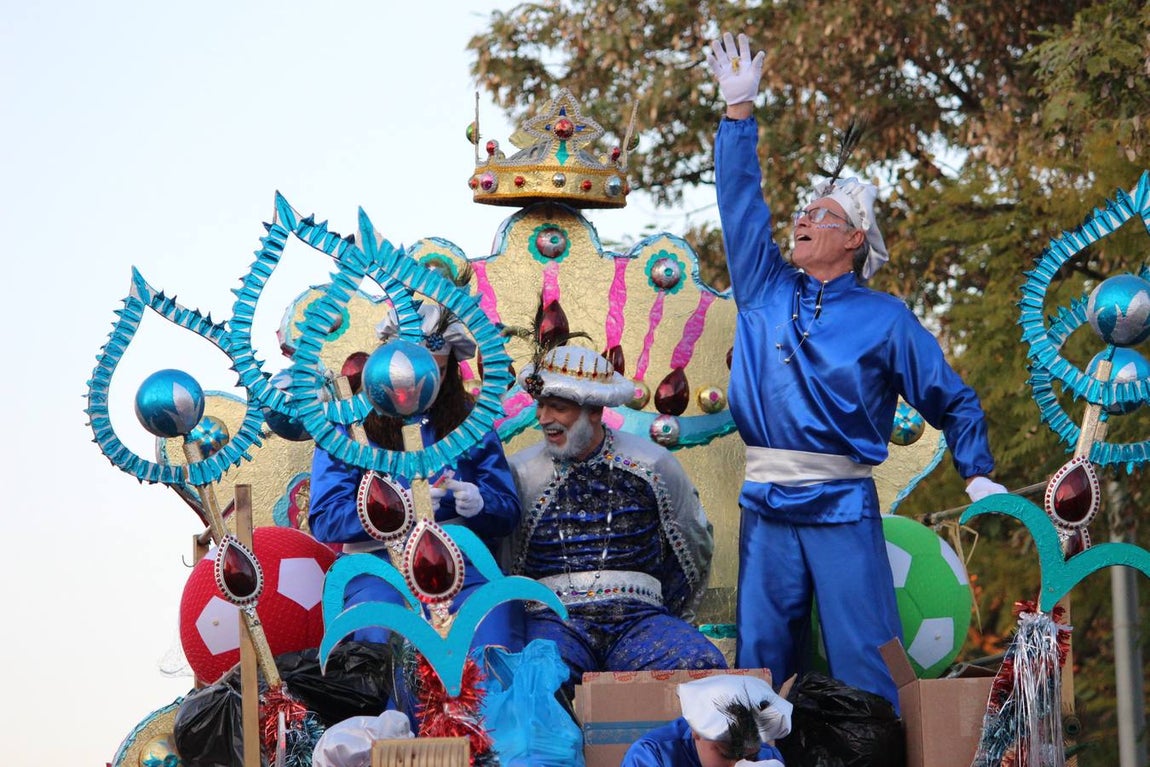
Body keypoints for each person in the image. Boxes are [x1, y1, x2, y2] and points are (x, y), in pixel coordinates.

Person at [704, 32, 1008, 709]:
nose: (805, 217)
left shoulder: (885, 318)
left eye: (825, 214)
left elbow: (952, 397)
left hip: (842, 503)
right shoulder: (764, 286)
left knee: (865, 656)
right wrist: (739, 113)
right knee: (759, 665)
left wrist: (977, 469)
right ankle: (757, 758)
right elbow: (740, 204)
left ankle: (875, 752)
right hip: (766, 502)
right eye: (805, 210)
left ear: (854, 240)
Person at [308, 300, 525, 693]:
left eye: (437, 372)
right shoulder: (347, 426)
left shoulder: (472, 422)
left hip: (463, 568)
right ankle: (394, 727)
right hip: (379, 569)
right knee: (381, 627)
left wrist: (480, 504)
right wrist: (391, 512)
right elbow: (325, 517)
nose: (423, 387)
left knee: (494, 617)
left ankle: (488, 725)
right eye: (412, 372)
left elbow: (508, 509)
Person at [508, 344, 728, 693]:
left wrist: (669, 614)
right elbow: (505, 561)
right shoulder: (522, 473)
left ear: (595, 411)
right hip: (553, 622)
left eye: (558, 407)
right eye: (541, 405)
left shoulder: (652, 464)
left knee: (700, 666)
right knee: (535, 677)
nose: (544, 418)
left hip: (638, 621)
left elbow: (691, 549)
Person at [621, 674, 791, 767]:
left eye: (751, 757)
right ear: (695, 731)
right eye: (725, 755)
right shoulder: (652, 755)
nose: (738, 765)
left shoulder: (767, 756)